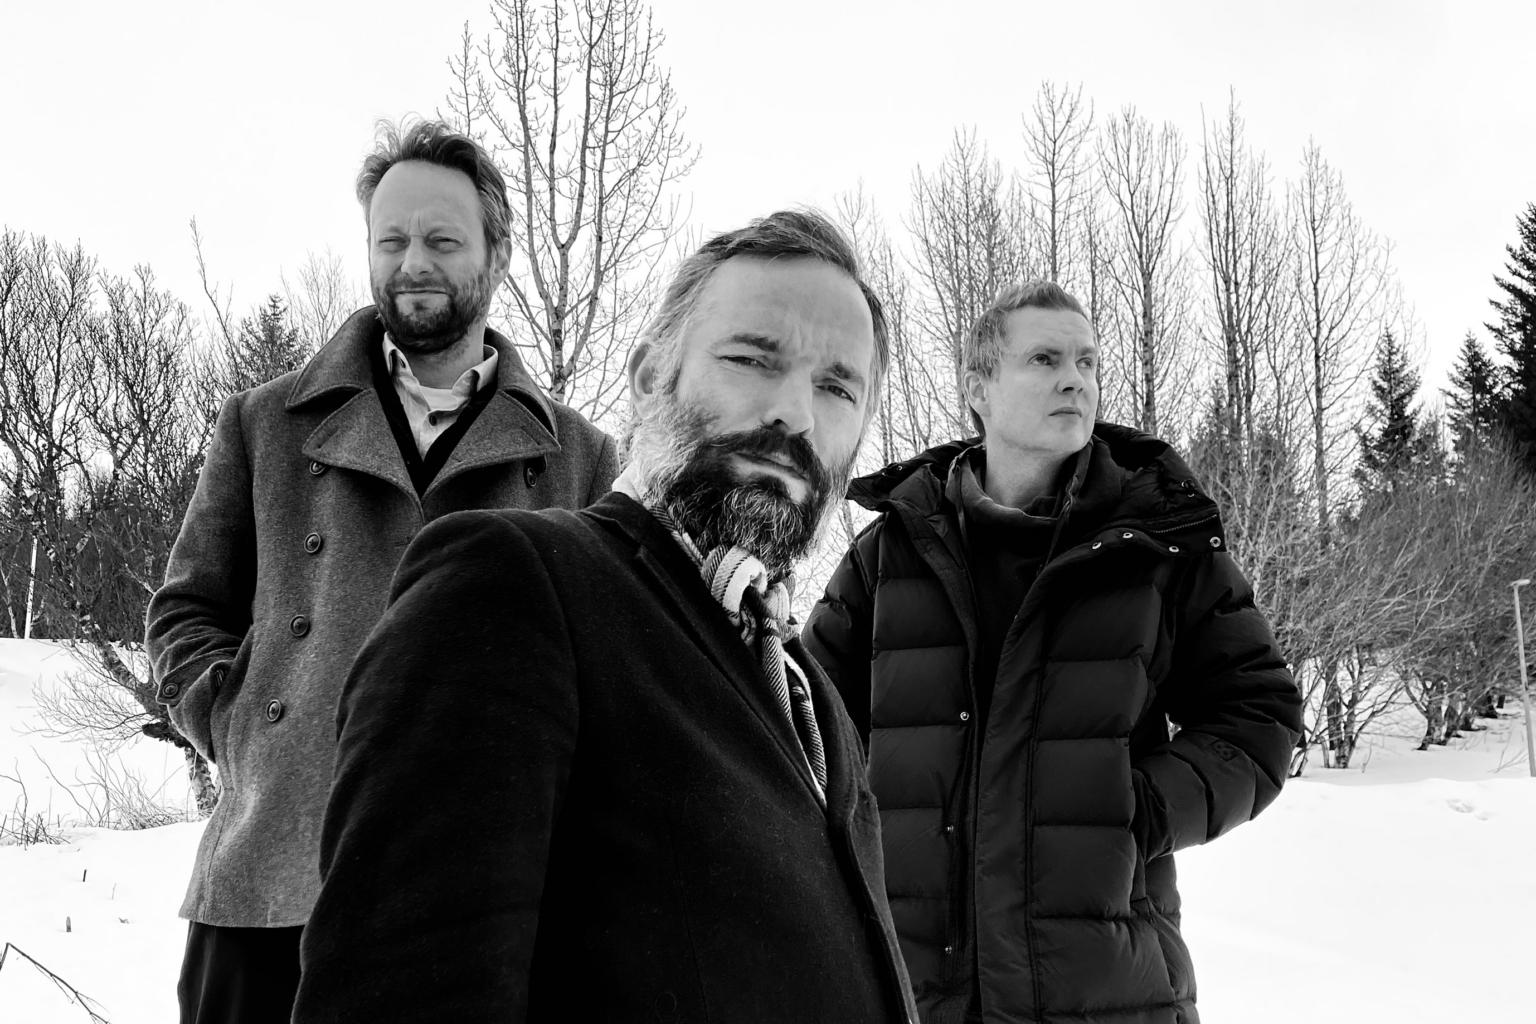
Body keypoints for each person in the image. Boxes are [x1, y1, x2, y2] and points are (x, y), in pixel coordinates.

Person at [291, 210, 919, 1024]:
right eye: (751, 360)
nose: (796, 413)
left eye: (838, 388)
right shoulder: (515, 585)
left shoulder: (808, 692)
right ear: (650, 377)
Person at [145, 119, 617, 1024]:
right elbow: (186, 608)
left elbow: (611, 671)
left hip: (489, 903)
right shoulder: (264, 424)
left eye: (443, 240)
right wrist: (239, 721)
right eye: (391, 239)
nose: (413, 263)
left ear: (497, 253)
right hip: (270, 884)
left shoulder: (580, 459)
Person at [803, 281, 1302, 1024]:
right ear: (979, 388)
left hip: (1106, 993)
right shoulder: (891, 554)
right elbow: (807, 733)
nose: (1076, 380)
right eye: (1045, 359)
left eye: (1087, 361)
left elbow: (1259, 719)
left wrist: (1135, 809)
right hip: (916, 991)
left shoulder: (1158, 547)